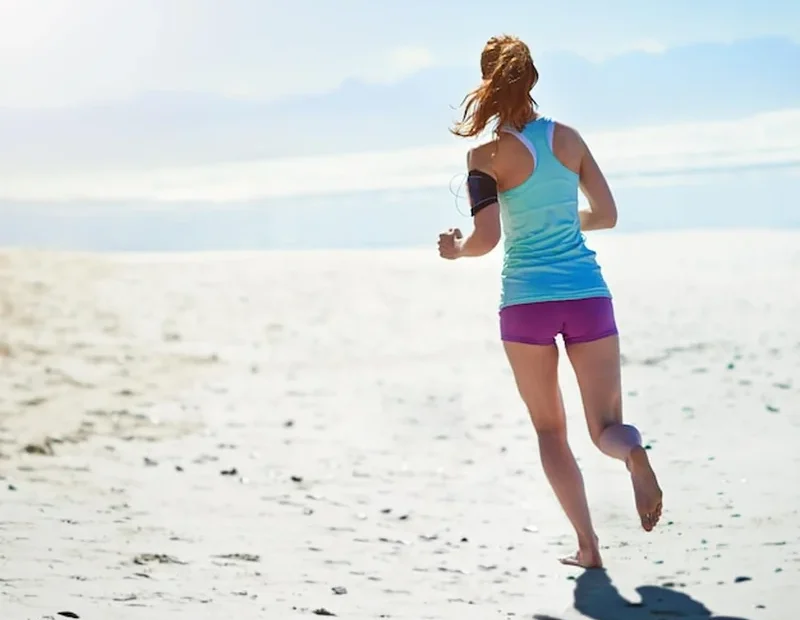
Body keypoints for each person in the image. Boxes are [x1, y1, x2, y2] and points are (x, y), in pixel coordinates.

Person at [437, 34, 662, 569]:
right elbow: (606, 215)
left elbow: (487, 239)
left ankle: (587, 547)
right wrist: (562, 220)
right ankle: (633, 453)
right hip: (587, 295)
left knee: (549, 430)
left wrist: (456, 251)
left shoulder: (484, 157)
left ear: (488, 84)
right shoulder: (570, 140)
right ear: (532, 79)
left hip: (527, 304)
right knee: (606, 426)